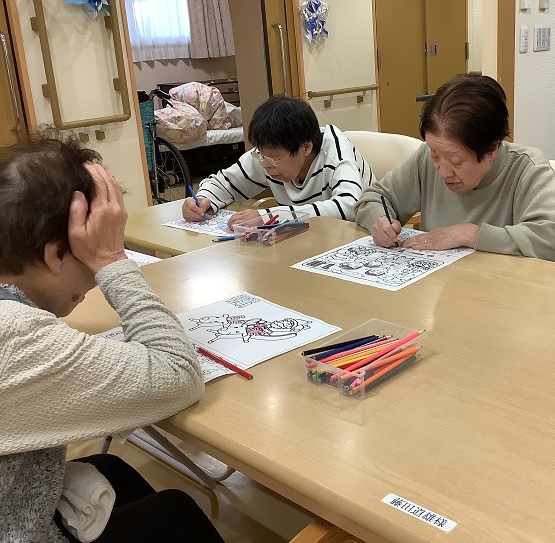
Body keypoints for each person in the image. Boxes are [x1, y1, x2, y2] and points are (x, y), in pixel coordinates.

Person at [0, 138, 224, 542]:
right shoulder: (14, 338)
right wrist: (111, 261)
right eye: (96, 243)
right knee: (176, 514)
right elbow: (177, 374)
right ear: (55, 255)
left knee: (116, 473)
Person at [354, 74, 555, 259]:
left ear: (492, 149)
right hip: (439, 289)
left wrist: (469, 235)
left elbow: (547, 241)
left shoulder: (527, 169)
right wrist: (380, 220)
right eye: (435, 156)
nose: (443, 172)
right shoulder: (426, 158)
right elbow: (374, 198)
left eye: (456, 162)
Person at [182, 95, 375, 227]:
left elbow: (349, 207)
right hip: (305, 241)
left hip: (354, 237)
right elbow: (224, 183)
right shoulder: (267, 154)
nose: (265, 164)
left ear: (306, 147)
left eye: (274, 158)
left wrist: (271, 216)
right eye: (261, 154)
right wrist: (203, 200)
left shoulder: (336, 153)